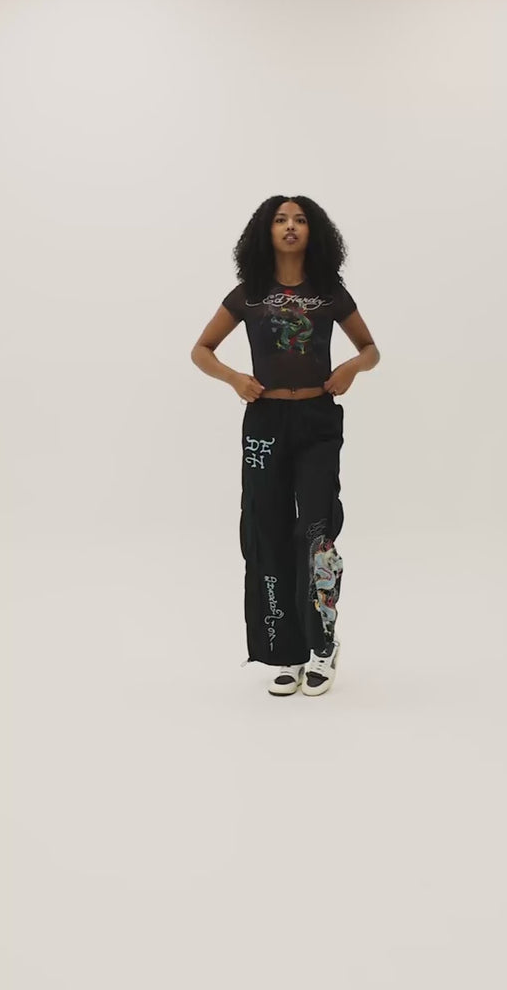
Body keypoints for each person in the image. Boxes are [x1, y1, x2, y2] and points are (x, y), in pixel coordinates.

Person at [190, 196, 380, 697]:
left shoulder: (329, 292)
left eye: (299, 220)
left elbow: (370, 349)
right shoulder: (248, 295)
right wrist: (234, 379)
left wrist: (351, 368)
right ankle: (284, 651)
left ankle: (322, 646)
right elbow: (201, 350)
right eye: (280, 220)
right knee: (266, 528)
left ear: (314, 232)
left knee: (315, 530)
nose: (290, 226)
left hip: (318, 420)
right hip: (265, 422)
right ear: (265, 232)